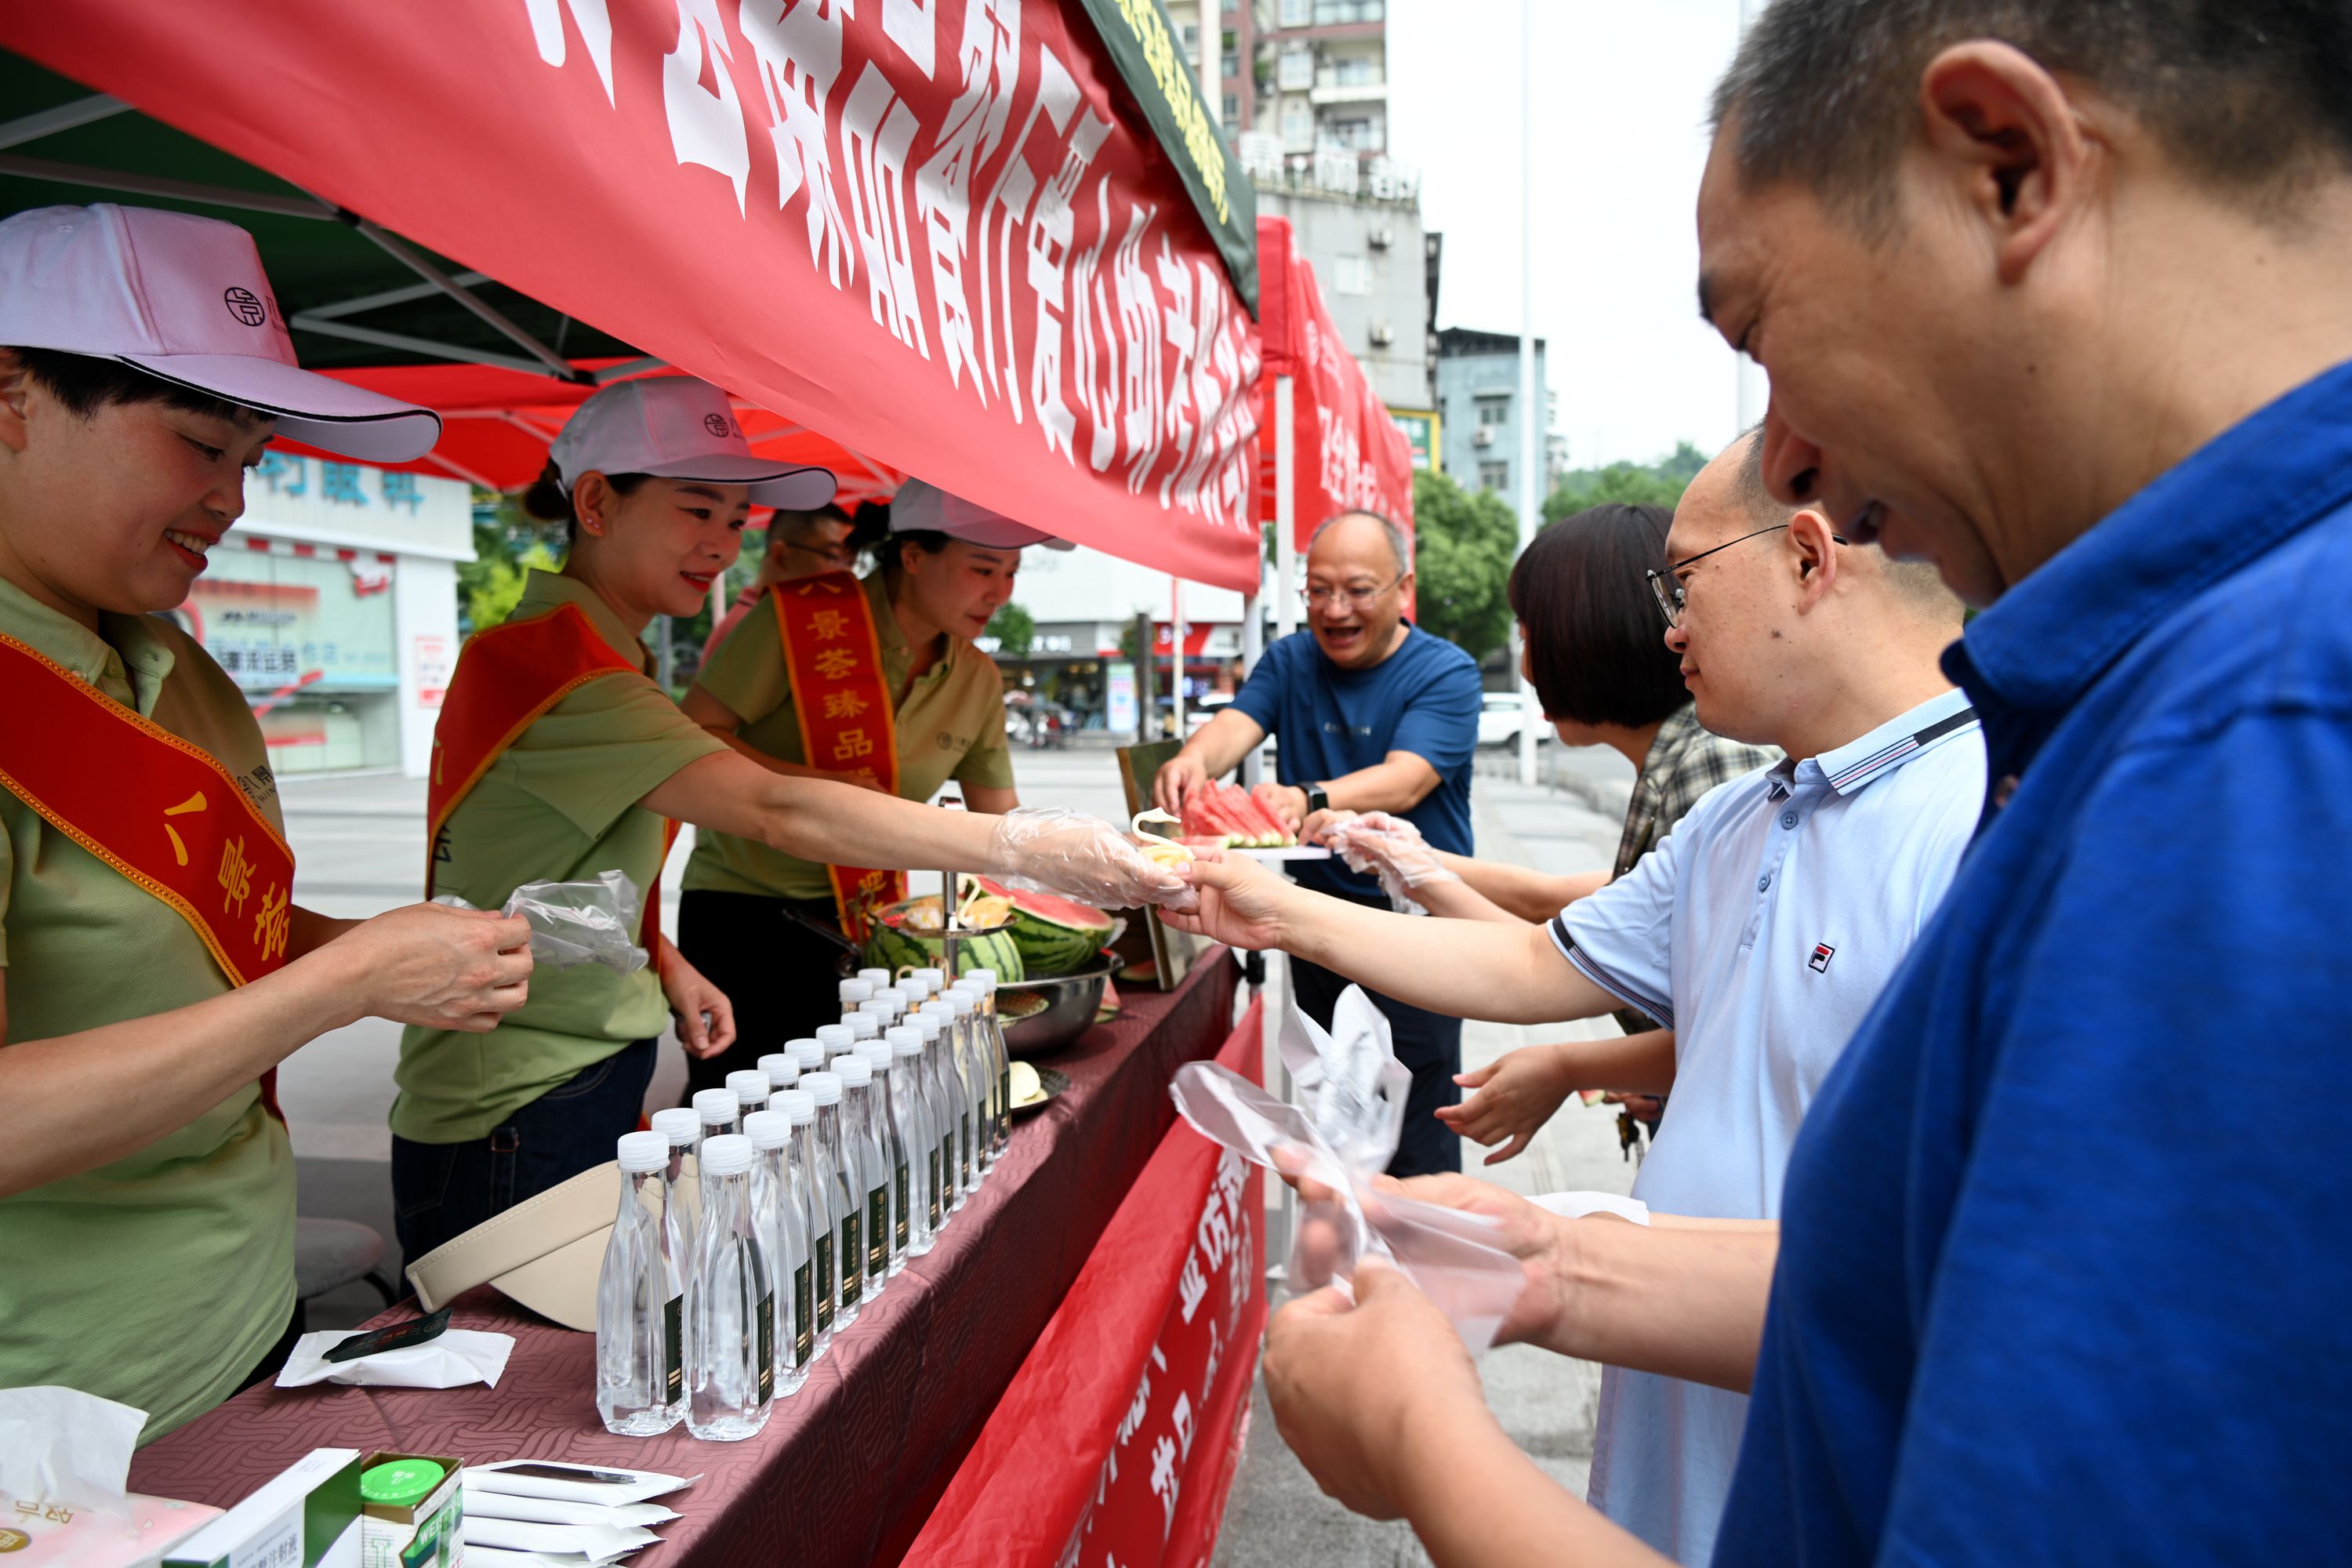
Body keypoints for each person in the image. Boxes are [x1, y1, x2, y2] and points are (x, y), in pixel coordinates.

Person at [1220, 5, 2352, 1563]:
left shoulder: (2260, 750)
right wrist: (1547, 1257)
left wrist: (1428, 1443)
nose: (1803, 456)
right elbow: (1915, 1281)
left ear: (2007, 168)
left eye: (1759, 334)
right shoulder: (2146, 700)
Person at [1170, 428, 1977, 1563]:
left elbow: (1955, 1291)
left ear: (1807, 557)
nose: (1671, 627)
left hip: (1842, 1469)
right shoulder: (1746, 816)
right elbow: (1534, 966)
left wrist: (1436, 1410)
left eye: (1683, 581)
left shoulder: (1993, 828)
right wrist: (1274, 906)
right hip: (1677, 1434)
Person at [392, 379, 1176, 1270]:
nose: (723, 544)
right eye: (698, 509)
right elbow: (777, 806)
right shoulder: (563, 670)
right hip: (515, 1100)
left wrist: (664, 960)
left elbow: (563, 859)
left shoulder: (594, 652)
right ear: (598, 501)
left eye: (735, 518)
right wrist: (1023, 845)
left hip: (567, 1063)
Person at [0, 203, 534, 1442]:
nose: (233, 501)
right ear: (13, 394)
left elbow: (198, 928)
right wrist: (345, 978)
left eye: (253, 458)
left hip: (238, 1335)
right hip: (58, 1422)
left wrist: (382, 950)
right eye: (199, 445)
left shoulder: (171, 659)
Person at [1307, 502, 1777, 1148]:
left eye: (1529, 633)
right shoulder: (1676, 761)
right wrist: (1417, 861)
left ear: (1587, 633)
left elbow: (1567, 965)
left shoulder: (1711, 766)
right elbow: (1597, 906)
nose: (1526, 668)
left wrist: (1285, 910)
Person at [674, 480, 1068, 1092]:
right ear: (912, 556)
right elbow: (692, 734)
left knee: (850, 1121)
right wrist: (823, 789)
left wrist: (1076, 899)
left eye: (1012, 573)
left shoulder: (977, 677)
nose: (1000, 592)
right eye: (983, 568)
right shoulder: (796, 618)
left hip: (873, 926)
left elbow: (1001, 827)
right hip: (746, 917)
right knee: (739, 1120)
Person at [1155, 510, 1481, 1176]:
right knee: (1333, 1121)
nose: (1335, 610)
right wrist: (1195, 760)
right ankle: (1345, 1268)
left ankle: (1427, 1269)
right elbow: (1237, 724)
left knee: (1415, 1121)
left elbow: (1407, 779)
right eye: (1318, 591)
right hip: (1318, 930)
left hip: (1420, 936)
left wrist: (1312, 798)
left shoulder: (1446, 672)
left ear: (1402, 588)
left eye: (1358, 590)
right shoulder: (1291, 659)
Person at [699, 502, 855, 662]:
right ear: (780, 555)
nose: (847, 574)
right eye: (833, 557)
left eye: (850, 561)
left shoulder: (767, 620)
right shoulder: (754, 629)